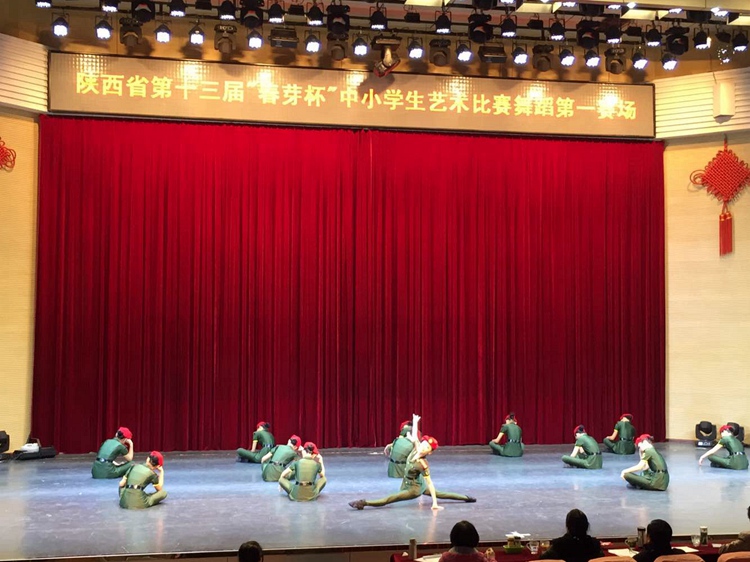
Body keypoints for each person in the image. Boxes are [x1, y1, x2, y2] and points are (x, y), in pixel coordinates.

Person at [349, 414, 476, 510]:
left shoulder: (422, 464)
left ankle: (363, 503)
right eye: (423, 444)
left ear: (429, 452)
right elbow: (415, 437)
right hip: (411, 482)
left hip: (414, 489)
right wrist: (415, 422)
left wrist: (434, 504)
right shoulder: (416, 448)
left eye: (427, 448)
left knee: (390, 499)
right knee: (442, 494)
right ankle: (466, 498)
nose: (423, 447)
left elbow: (430, 484)